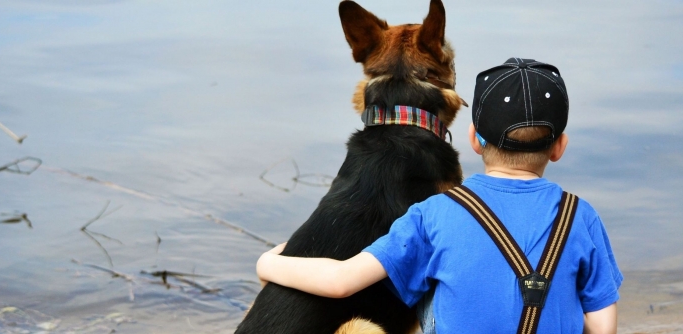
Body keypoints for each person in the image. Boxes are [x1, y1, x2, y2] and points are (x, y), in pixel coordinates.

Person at [256, 58, 623, 333]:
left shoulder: (434, 213)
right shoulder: (581, 216)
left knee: (424, 279)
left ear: (474, 139)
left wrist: (268, 264)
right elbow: (603, 328)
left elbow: (341, 282)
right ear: (559, 146)